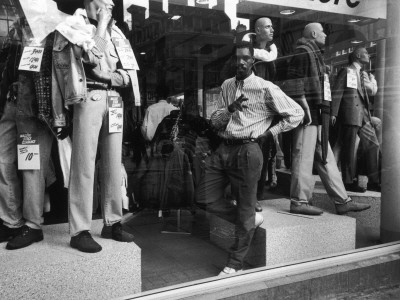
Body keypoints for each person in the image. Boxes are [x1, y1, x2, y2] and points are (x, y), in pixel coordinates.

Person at [196, 42, 304, 275]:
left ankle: (235, 261)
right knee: (203, 198)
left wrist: (271, 133)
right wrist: (230, 110)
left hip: (248, 150)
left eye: (246, 58)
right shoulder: (226, 85)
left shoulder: (265, 88)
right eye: (237, 58)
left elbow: (297, 113)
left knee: (246, 205)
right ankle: (248, 220)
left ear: (253, 62)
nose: (241, 62)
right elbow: (215, 122)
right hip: (224, 148)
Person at [53, 0, 137, 253]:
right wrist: (101, 25)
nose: (112, 2)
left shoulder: (117, 31)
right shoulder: (74, 24)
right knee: (84, 165)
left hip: (113, 99)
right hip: (88, 98)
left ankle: (112, 222)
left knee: (113, 163)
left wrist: (110, 76)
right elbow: (91, 56)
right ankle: (80, 229)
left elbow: (127, 74)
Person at [285, 23, 371, 215]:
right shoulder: (303, 52)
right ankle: (299, 201)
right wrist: (304, 107)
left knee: (326, 158)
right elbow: (294, 82)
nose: (325, 34)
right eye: (322, 31)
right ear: (314, 33)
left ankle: (342, 201)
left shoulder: (314, 53)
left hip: (317, 115)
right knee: (303, 157)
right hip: (308, 116)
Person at [0, 17, 55, 249]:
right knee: (3, 161)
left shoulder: (49, 25)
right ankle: (11, 220)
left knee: (30, 164)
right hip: (11, 102)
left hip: (32, 104)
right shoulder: (15, 27)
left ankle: (32, 225)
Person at [331, 46, 381, 192]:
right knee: (349, 147)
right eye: (365, 53)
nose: (368, 56)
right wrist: (334, 113)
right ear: (358, 55)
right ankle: (348, 181)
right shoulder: (346, 71)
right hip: (350, 113)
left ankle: (374, 180)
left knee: (373, 144)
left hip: (364, 115)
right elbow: (337, 92)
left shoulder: (361, 73)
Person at [253, 17, 279, 206]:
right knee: (254, 155)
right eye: (267, 27)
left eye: (271, 26)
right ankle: (252, 196)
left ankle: (258, 195)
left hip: (268, 112)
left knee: (265, 154)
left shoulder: (271, 53)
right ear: (258, 30)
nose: (272, 29)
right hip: (253, 112)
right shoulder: (250, 53)